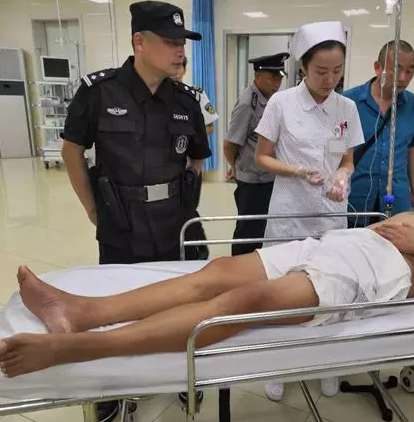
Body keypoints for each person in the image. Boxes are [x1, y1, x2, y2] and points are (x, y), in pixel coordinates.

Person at [0, 208, 414, 379]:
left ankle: (76, 347)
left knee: (242, 304)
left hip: (375, 270)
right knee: (216, 272)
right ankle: (83, 311)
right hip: (346, 243)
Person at [59, 1, 210, 419]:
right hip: (121, 220)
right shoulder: (99, 91)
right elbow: (72, 150)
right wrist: (92, 207)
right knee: (116, 307)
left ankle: (179, 376)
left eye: (183, 42)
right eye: (171, 41)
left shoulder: (186, 99)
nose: (180, 50)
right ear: (139, 42)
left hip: (174, 222)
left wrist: (185, 198)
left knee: (176, 306)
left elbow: (197, 157)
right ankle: (113, 388)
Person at [253, 21, 365, 399]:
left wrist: (343, 178)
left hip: (331, 212)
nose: (330, 80)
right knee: (282, 289)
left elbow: (347, 160)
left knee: (332, 288)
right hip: (289, 210)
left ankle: (325, 364)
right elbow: (262, 157)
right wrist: (298, 171)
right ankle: (277, 366)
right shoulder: (282, 103)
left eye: (337, 71)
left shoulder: (346, 107)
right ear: (303, 66)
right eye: (321, 71)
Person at [343, 40, 414, 226]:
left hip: (397, 204)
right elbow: (334, 150)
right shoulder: (349, 102)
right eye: (397, 70)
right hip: (354, 201)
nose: (403, 78)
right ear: (378, 68)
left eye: (410, 71)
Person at [223, 53, 290, 256]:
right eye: (272, 78)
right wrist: (236, 167)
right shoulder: (248, 104)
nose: (277, 83)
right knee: (248, 230)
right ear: (258, 76)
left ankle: (257, 264)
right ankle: (239, 266)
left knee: (262, 227)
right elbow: (230, 143)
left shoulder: (272, 100)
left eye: (279, 78)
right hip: (253, 180)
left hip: (268, 177)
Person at [173, 56, 219, 260]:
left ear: (184, 70)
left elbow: (209, 127)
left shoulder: (195, 95)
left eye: (179, 67)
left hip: (190, 165)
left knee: (188, 207)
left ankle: (198, 247)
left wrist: (185, 132)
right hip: (163, 166)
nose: (175, 72)